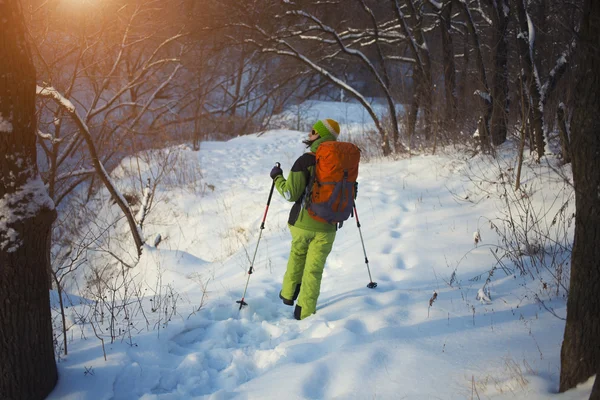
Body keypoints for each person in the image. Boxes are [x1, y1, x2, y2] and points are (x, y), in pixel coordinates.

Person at [269, 119, 341, 320]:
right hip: (329, 225)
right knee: (314, 270)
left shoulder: (305, 161)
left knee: (297, 256)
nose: (309, 134)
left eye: (313, 131)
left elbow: (291, 193)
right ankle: (305, 313)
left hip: (303, 222)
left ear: (319, 135)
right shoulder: (343, 161)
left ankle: (288, 295)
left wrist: (277, 177)